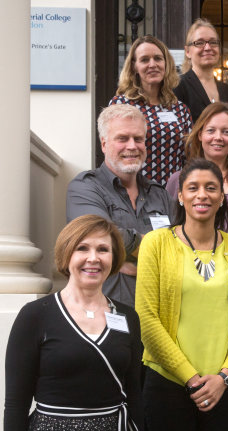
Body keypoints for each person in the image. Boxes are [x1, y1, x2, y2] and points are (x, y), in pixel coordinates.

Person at [4, 214, 150, 431]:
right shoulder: (36, 315)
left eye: (103, 249)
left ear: (114, 257)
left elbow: (134, 395)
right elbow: (15, 403)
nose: (93, 258)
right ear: (67, 254)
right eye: (82, 248)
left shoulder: (128, 318)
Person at [136, 159, 228, 431]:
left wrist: (225, 377)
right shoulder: (156, 244)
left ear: (221, 196)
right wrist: (191, 378)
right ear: (180, 196)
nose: (201, 195)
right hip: (169, 384)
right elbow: (147, 319)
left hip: (221, 386)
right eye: (193, 188)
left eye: (210, 188)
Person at [67, 103, 173, 306]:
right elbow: (100, 237)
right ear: (104, 144)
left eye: (138, 139)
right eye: (122, 139)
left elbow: (181, 249)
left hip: (159, 317)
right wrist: (155, 256)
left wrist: (124, 258)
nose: (132, 146)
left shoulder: (160, 195)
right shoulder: (85, 188)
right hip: (105, 314)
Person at [166, 102, 228, 306]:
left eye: (226, 131)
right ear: (199, 135)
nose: (218, 137)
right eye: (211, 130)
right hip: (187, 287)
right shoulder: (177, 181)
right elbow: (168, 236)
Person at [110, 35, 192, 185]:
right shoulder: (120, 105)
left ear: (166, 64)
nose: (152, 64)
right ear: (134, 66)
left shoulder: (180, 109)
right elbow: (112, 152)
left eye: (158, 58)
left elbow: (189, 157)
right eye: (145, 60)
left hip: (171, 195)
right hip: (133, 193)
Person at [174, 18, 228, 123]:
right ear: (188, 51)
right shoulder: (178, 87)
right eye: (199, 43)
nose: (208, 47)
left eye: (213, 42)